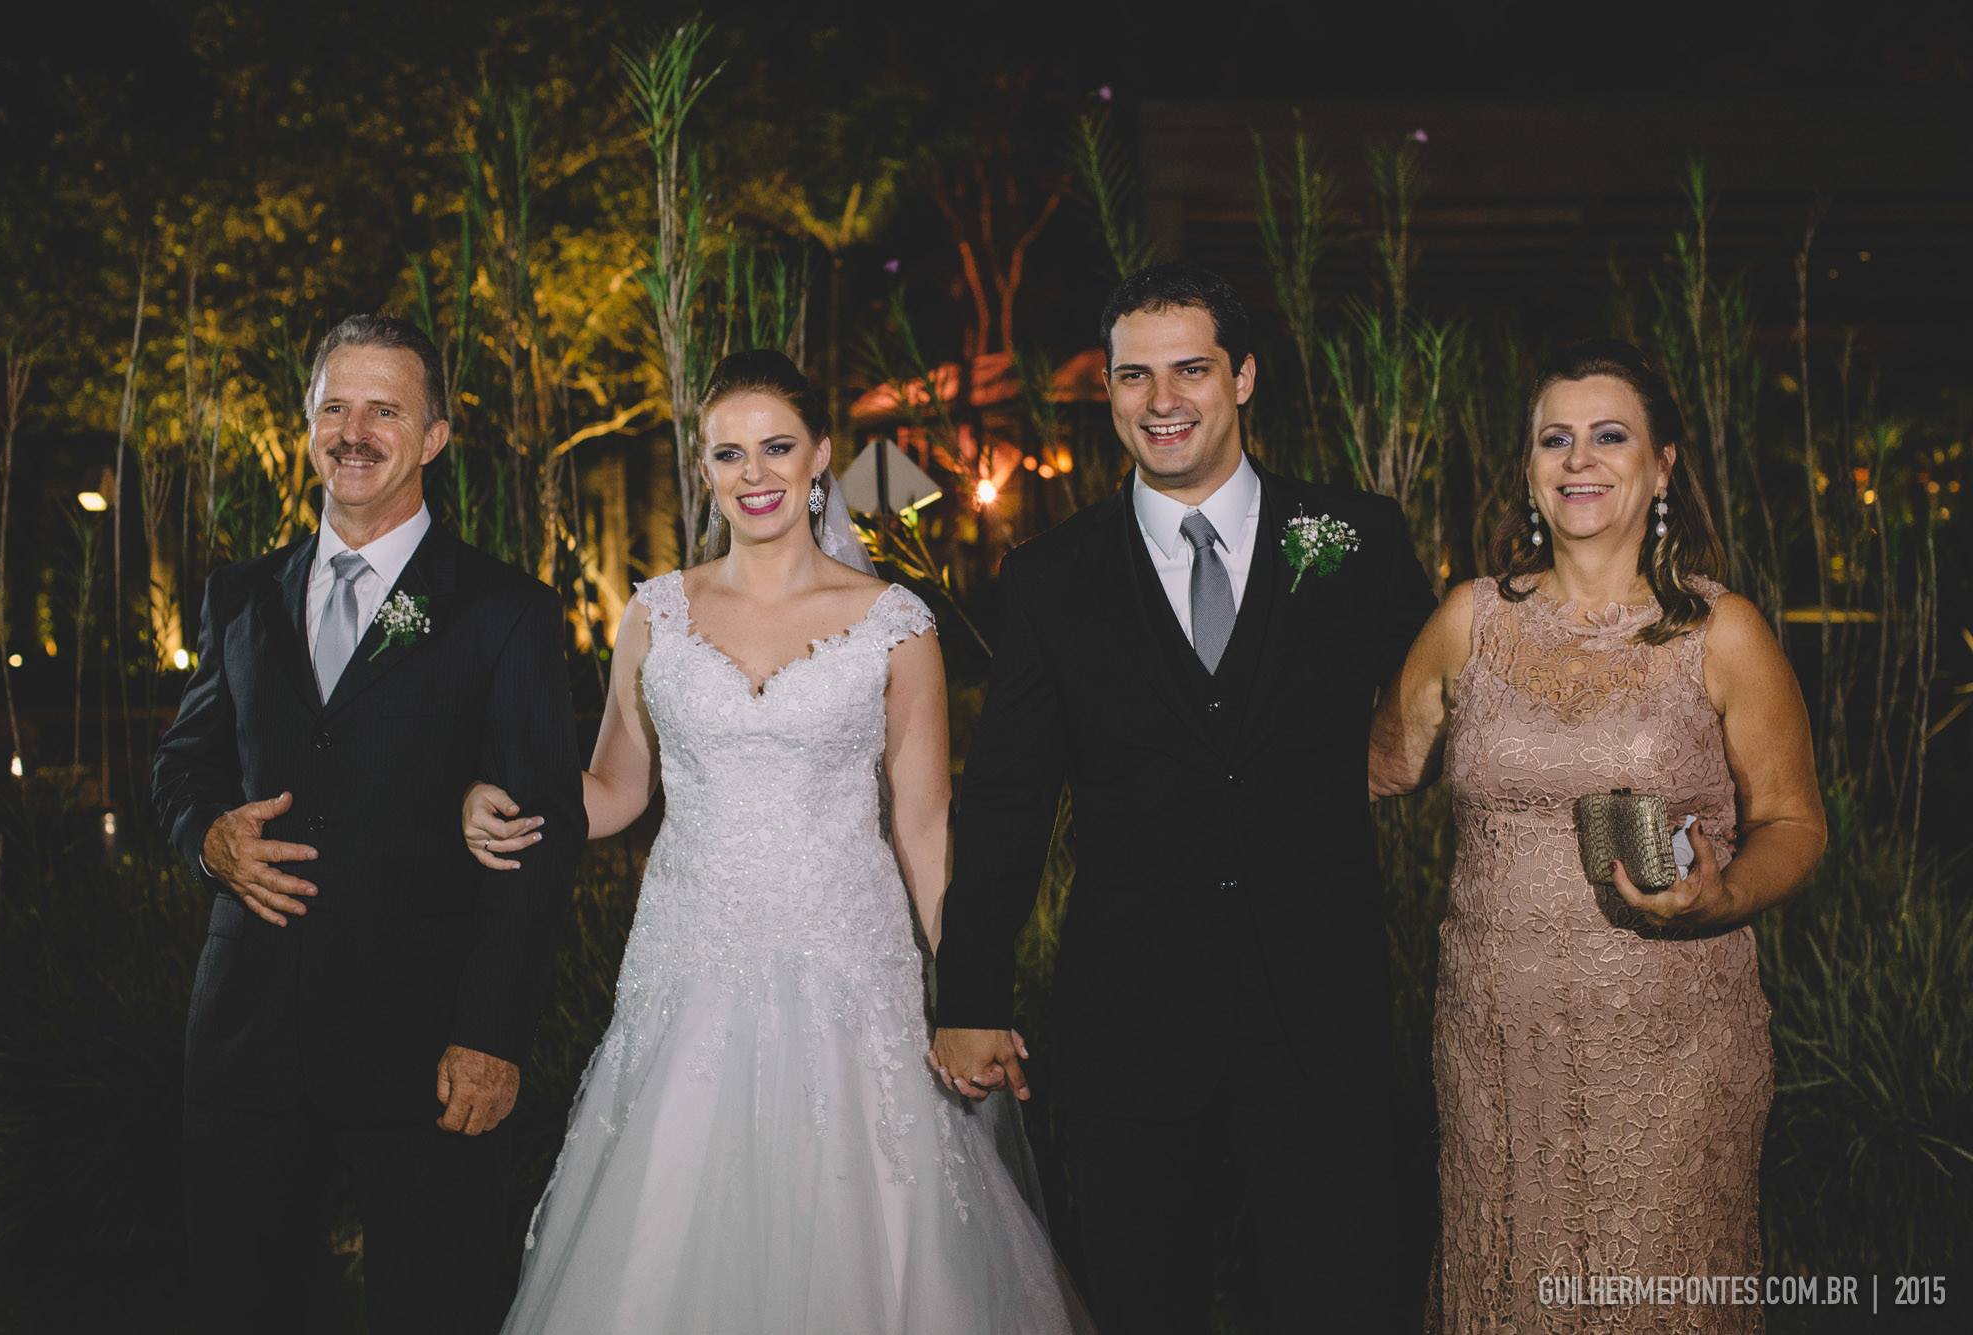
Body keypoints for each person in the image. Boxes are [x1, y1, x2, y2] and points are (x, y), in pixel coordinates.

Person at [461, 349, 1087, 1333]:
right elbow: (615, 789)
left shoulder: (895, 625)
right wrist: (499, 797)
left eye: (777, 447)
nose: (754, 474)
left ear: (820, 456)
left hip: (850, 970)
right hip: (689, 965)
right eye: (729, 453)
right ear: (704, 467)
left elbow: (924, 826)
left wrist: (969, 992)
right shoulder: (655, 613)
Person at [930, 263, 1437, 1330]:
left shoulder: (1358, 539)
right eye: (1133, 376)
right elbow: (1006, 800)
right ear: (1109, 391)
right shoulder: (1049, 577)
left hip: (1318, 1009)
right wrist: (970, 996)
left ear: (1242, 377)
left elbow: (1446, 722)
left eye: (1191, 370)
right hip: (1128, 1020)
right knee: (1141, 1302)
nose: (1161, 401)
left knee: (1337, 1300)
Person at [1369, 339, 1826, 1330]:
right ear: (1529, 469)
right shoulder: (1468, 620)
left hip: (1670, 1050)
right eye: (1554, 439)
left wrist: (1724, 893)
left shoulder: (1721, 632)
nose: (1577, 459)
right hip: (1495, 1048)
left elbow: (1794, 823)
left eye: (1609, 436)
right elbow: (1377, 767)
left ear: (1661, 466)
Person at [152, 314, 587, 1334]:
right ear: (308, 425)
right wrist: (208, 839)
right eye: (335, 408)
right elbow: (183, 764)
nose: (354, 432)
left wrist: (490, 1036)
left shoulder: (504, 611)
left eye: (384, 410)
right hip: (246, 1043)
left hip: (424, 1050)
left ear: (433, 437)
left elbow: (539, 842)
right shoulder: (240, 596)